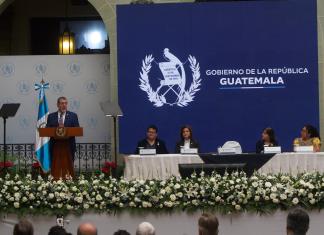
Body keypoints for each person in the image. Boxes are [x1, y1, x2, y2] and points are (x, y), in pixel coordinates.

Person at [46, 96, 80, 178]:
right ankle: (55, 180)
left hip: (69, 145)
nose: (64, 105)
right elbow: (47, 130)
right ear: (58, 105)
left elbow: (77, 129)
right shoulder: (51, 116)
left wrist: (67, 132)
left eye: (65, 103)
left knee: (69, 165)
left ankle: (69, 181)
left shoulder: (73, 115)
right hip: (55, 146)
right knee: (55, 165)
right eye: (62, 103)